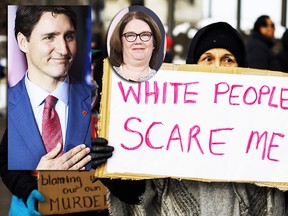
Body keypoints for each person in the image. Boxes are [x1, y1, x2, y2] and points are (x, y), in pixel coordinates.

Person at [101, 22, 286, 216]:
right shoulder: (169, 124)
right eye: (207, 58)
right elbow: (144, 194)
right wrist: (116, 172)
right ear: (193, 65)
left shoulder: (263, 128)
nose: (217, 67)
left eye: (228, 59)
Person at [8, 6, 92, 170]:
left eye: (69, 36)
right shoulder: (8, 106)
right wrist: (39, 179)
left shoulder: (98, 101)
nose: (63, 50)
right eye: (49, 37)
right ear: (23, 42)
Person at [109, 9, 162, 82]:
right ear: (120, 42)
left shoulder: (163, 81)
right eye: (130, 35)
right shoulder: (106, 77)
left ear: (154, 43)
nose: (138, 41)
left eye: (145, 35)